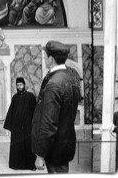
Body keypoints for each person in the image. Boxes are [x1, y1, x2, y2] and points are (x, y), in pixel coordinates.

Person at [31, 41, 80, 173]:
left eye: (46, 56)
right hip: (65, 143)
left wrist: (40, 155)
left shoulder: (54, 83)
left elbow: (49, 123)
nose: (46, 59)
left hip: (54, 148)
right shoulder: (72, 78)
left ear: (51, 59)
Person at [4, 77, 37, 170]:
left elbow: (35, 111)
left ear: (24, 85)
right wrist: (11, 125)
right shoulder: (15, 97)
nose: (19, 87)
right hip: (17, 127)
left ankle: (30, 165)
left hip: (28, 126)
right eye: (17, 85)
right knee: (17, 145)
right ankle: (16, 165)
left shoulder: (31, 96)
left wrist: (35, 124)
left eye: (21, 85)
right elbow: (11, 111)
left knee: (28, 145)